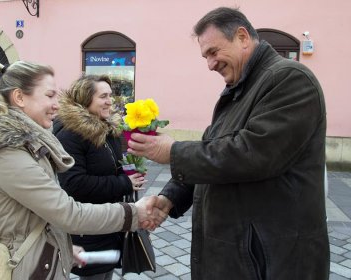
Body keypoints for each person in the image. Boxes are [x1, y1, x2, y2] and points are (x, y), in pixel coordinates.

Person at [127, 7, 329, 280]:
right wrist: (170, 198)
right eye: (205, 56)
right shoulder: (239, 89)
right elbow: (213, 148)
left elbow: (252, 154)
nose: (210, 64)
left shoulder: (290, 79)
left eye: (213, 52)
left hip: (272, 260)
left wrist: (172, 152)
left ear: (243, 37)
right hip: (241, 256)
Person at [0, 61, 165, 280]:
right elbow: (67, 212)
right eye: (49, 95)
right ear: (19, 97)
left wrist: (65, 248)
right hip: (25, 268)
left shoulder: (27, 145)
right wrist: (135, 213)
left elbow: (39, 213)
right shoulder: (7, 154)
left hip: (41, 259)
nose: (56, 105)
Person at [53, 74, 146, 280]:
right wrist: (124, 182)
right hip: (87, 226)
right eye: (103, 96)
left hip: (109, 222)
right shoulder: (70, 135)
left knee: (106, 273)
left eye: (110, 95)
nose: (110, 101)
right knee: (94, 275)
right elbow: (74, 183)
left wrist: (130, 170)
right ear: (86, 99)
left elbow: (113, 164)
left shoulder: (107, 128)